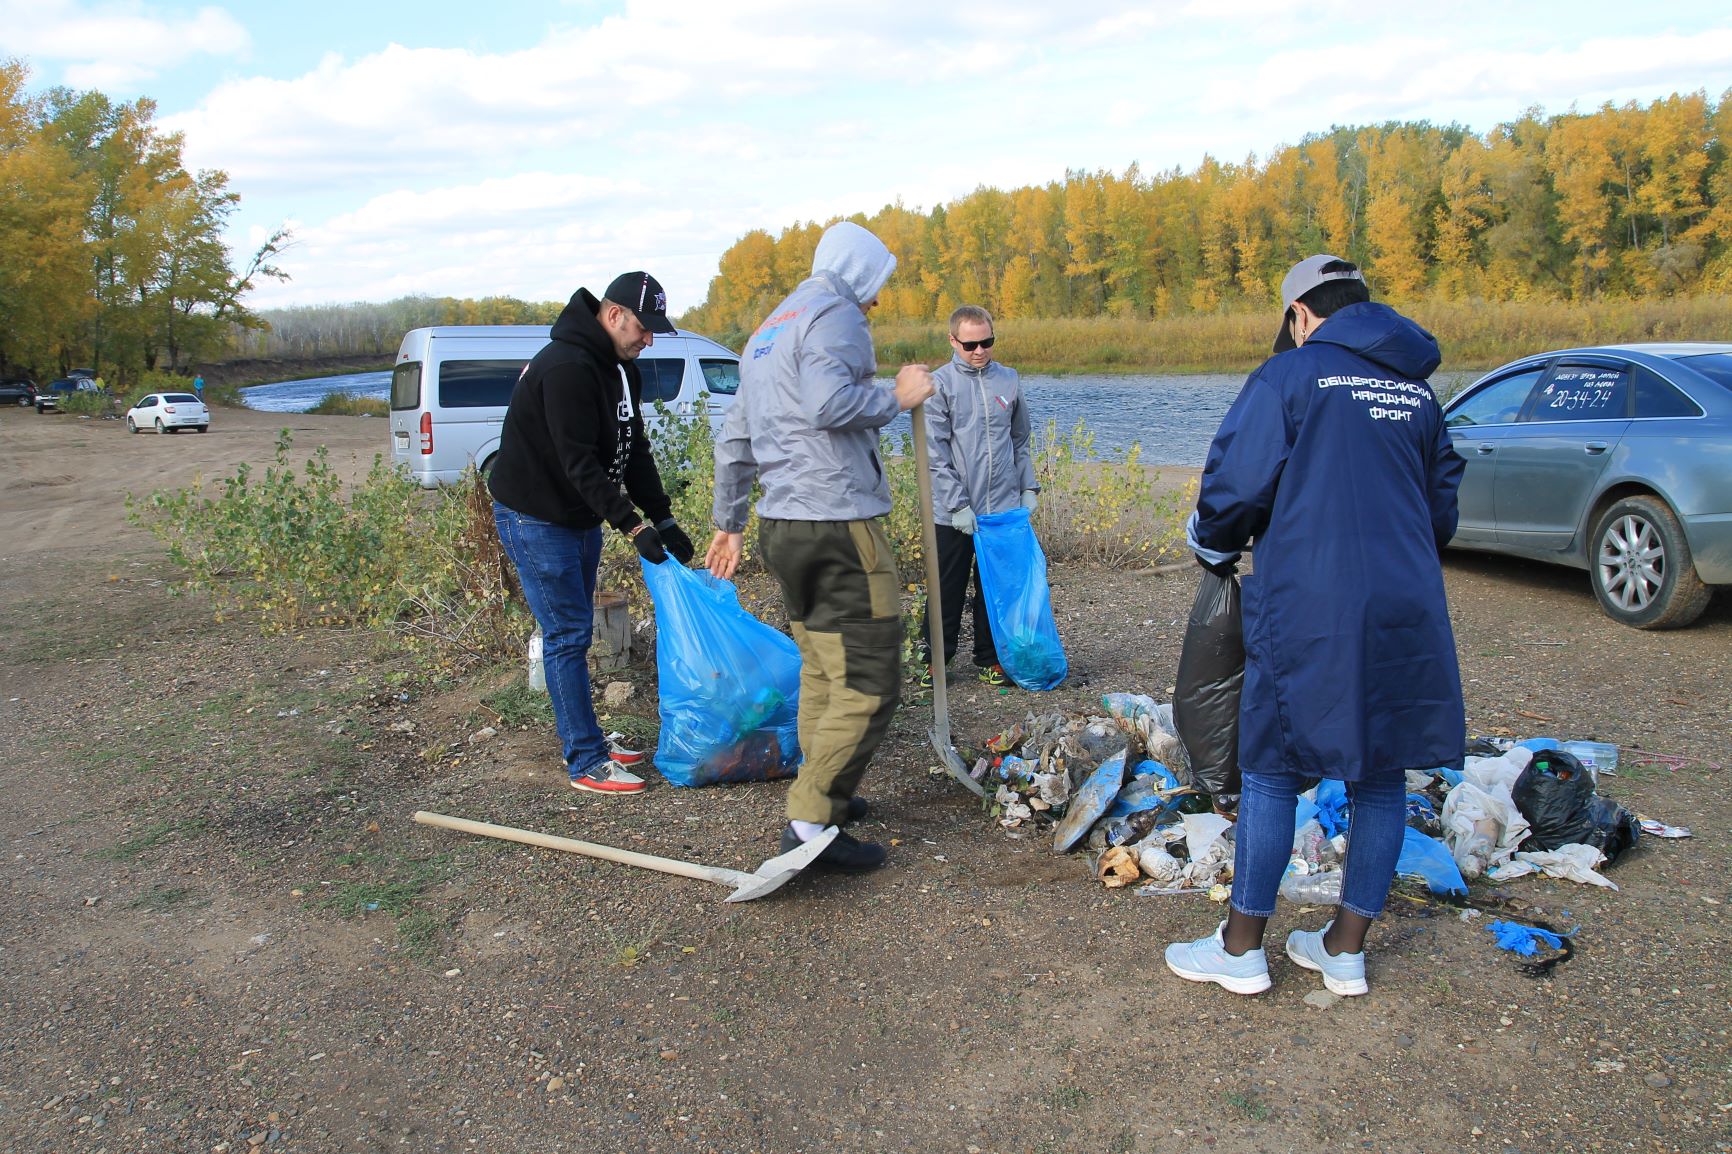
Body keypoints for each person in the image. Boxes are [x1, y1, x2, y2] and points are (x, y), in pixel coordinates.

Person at [1163, 255, 1466, 996]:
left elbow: (1235, 485)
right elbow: (1441, 510)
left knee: (1270, 766)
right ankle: (1345, 949)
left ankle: (1240, 951)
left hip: (1311, 601)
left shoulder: (1292, 376)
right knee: (1380, 769)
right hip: (1405, 606)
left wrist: (1211, 540)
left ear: (1298, 313)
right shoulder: (1415, 392)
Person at [706, 221, 935, 872]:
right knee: (869, 677)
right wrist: (898, 394)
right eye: (877, 283)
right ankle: (809, 824)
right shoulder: (834, 313)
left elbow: (734, 439)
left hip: (782, 526)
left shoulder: (768, 329)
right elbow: (831, 402)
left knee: (821, 666)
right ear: (858, 272)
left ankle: (826, 794)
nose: (878, 300)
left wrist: (731, 519)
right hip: (835, 523)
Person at [489, 271, 696, 796]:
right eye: (642, 327)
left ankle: (592, 741)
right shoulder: (566, 368)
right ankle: (585, 759)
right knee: (567, 636)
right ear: (612, 315)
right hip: (536, 517)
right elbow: (577, 461)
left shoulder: (622, 370)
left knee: (576, 631)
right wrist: (630, 524)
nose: (647, 338)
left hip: (577, 516)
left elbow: (634, 449)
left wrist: (663, 517)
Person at [921, 305, 1037, 689]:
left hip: (1000, 508)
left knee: (994, 587)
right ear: (953, 340)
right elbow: (934, 453)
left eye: (987, 341)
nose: (979, 350)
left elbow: (1020, 440)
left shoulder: (1010, 380)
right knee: (946, 588)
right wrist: (956, 505)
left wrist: (1028, 488)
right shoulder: (939, 385)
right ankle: (935, 661)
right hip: (953, 511)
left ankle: (991, 658)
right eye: (970, 344)